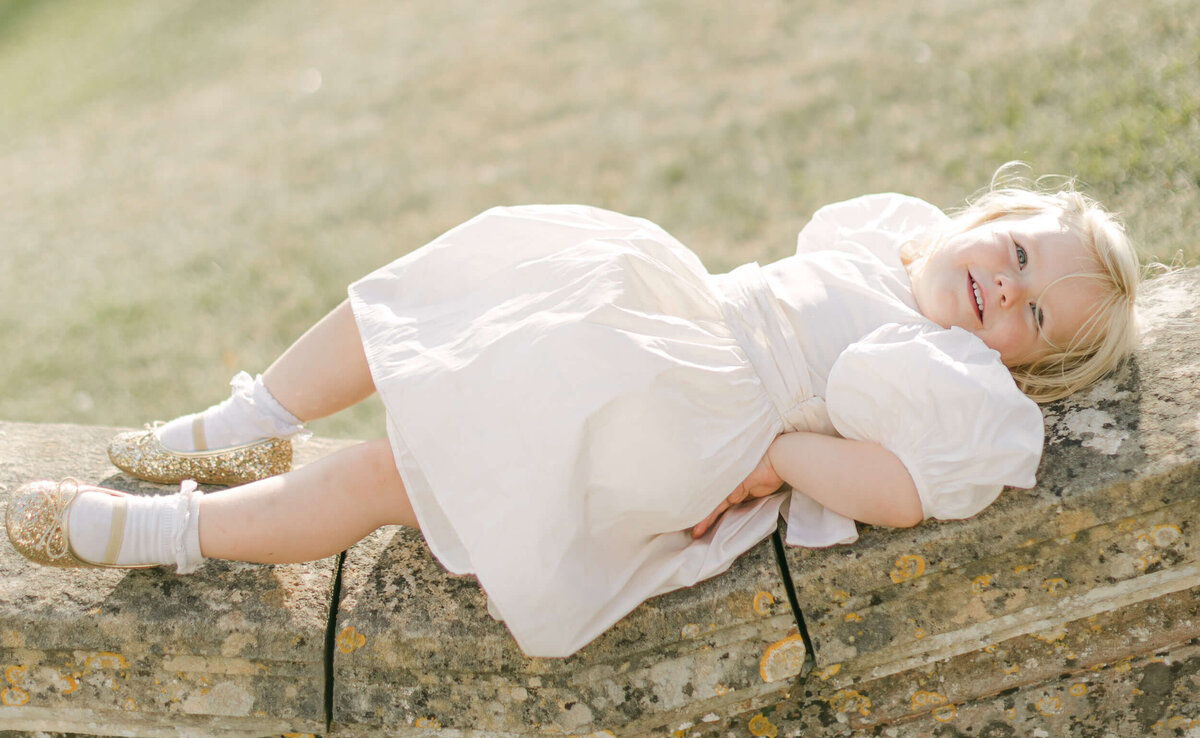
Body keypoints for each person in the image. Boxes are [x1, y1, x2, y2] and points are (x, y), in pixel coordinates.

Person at [7, 167, 1140, 659]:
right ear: (996, 212)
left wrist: (788, 453)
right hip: (657, 315)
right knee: (437, 289)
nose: (1008, 288)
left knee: (394, 478)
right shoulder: (894, 235)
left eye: (1034, 316)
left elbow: (899, 493)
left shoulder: (957, 381)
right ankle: (248, 412)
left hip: (683, 419)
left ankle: (171, 539)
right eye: (1021, 252)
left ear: (1023, 367)